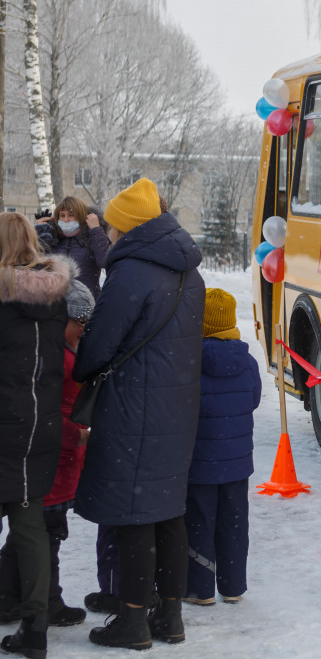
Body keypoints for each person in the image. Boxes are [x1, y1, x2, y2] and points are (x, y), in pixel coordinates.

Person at [71, 178, 205, 650]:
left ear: (127, 228)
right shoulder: (190, 272)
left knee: (133, 515)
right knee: (168, 511)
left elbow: (98, 348)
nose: (107, 233)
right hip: (178, 409)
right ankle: (169, 617)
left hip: (134, 408)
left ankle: (131, 621)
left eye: (111, 225)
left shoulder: (131, 273)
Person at [0, 281, 94, 631]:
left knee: (31, 535)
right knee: (45, 535)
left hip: (57, 461)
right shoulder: (58, 357)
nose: (82, 330)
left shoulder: (61, 349)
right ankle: (46, 602)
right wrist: (78, 435)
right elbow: (53, 411)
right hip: (52, 461)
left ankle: (9, 598)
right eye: (79, 322)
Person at [0, 212, 72, 659]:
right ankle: (36, 627)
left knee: (29, 530)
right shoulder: (55, 297)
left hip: (5, 422)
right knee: (30, 528)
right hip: (39, 426)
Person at [183, 288, 261, 607]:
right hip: (237, 463)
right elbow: (253, 400)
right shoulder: (248, 363)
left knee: (199, 523)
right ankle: (233, 586)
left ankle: (200, 589)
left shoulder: (189, 362)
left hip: (199, 463)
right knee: (234, 523)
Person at [34, 198, 108, 300]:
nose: (66, 220)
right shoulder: (52, 238)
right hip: (55, 305)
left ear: (81, 217)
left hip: (86, 303)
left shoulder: (92, 238)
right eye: (62, 215)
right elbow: (35, 265)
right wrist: (39, 235)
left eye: (71, 215)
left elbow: (104, 261)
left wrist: (96, 230)